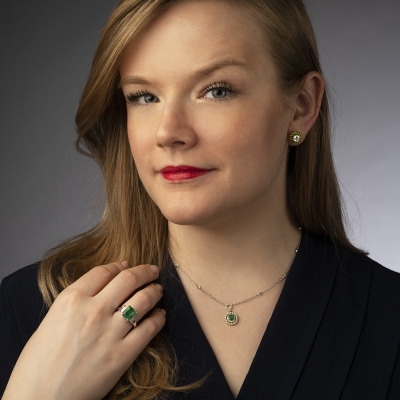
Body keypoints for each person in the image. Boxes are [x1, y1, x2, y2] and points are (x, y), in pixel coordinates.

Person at [1, 0, 400, 399]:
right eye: (143, 96)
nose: (169, 132)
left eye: (216, 90)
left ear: (301, 106)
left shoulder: (388, 319)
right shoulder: (32, 311)